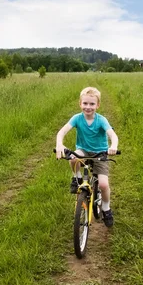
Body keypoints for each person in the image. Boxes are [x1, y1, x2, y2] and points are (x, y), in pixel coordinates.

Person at [56, 87, 119, 227]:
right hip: (83, 150)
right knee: (73, 157)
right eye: (85, 103)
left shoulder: (101, 120)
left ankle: (106, 207)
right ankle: (77, 177)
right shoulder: (77, 118)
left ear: (98, 105)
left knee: (103, 184)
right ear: (80, 104)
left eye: (92, 104)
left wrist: (113, 146)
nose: (88, 107)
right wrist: (59, 144)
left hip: (100, 152)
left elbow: (112, 135)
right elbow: (61, 132)